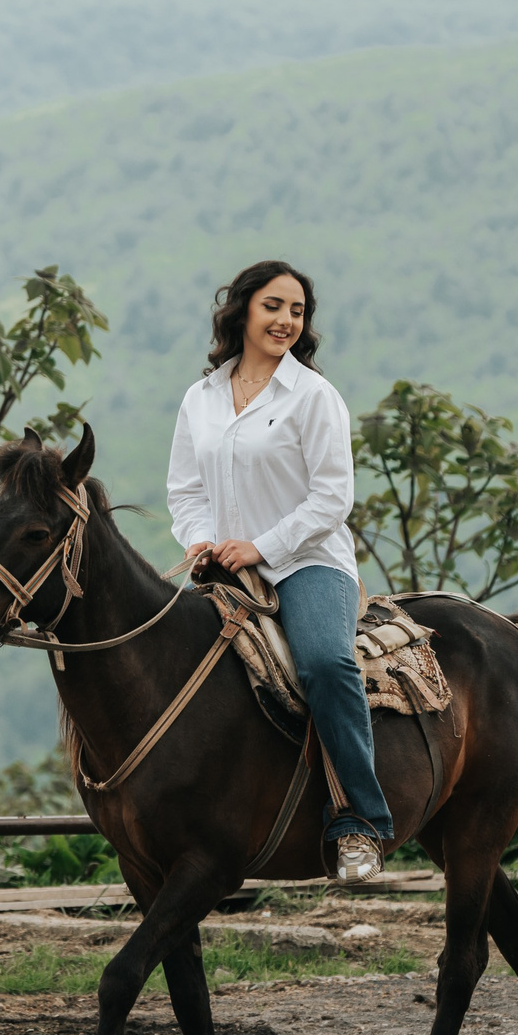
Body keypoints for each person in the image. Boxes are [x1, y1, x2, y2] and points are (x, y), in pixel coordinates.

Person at [168, 260, 395, 882]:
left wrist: (260, 548)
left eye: (297, 311)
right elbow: (185, 492)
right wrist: (202, 541)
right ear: (242, 311)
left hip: (306, 562)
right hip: (222, 565)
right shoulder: (201, 397)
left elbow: (331, 499)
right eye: (273, 306)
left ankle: (361, 824)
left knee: (324, 662)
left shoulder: (315, 397)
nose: (286, 320)